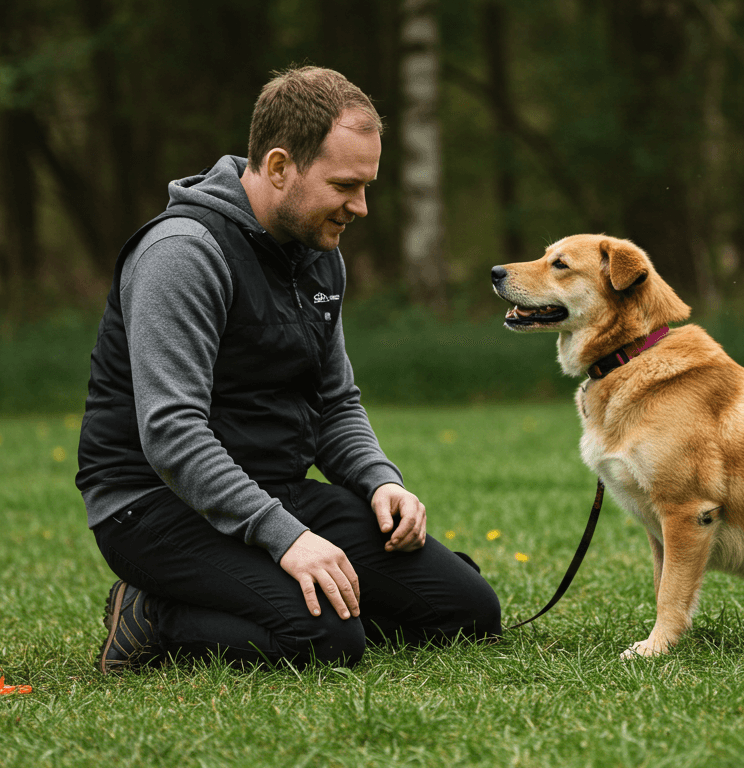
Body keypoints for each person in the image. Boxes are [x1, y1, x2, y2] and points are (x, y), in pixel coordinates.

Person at [77, 66, 501, 674]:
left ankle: (306, 596)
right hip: (154, 506)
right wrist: (288, 538)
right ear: (279, 168)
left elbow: (335, 403)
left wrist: (382, 482)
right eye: (345, 186)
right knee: (327, 640)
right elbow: (173, 433)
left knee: (466, 610)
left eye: (367, 186)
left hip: (273, 487)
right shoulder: (183, 253)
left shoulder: (318, 252)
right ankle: (152, 613)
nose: (360, 207)